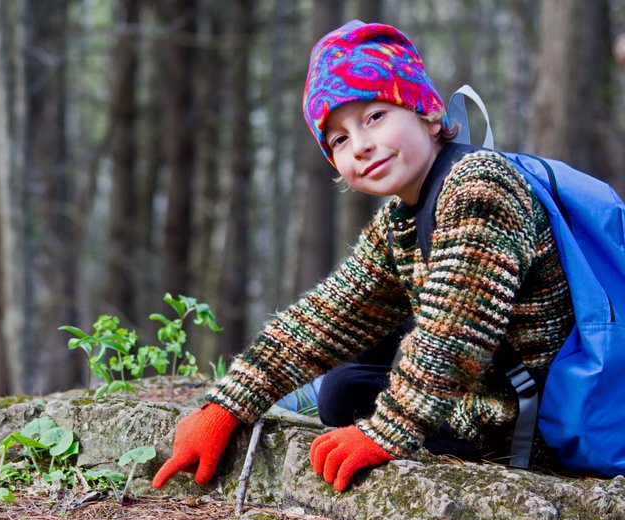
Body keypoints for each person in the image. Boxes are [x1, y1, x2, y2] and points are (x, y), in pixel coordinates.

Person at [152, 20, 574, 493]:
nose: (362, 145)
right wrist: (226, 406)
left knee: (348, 396)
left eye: (374, 116)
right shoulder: (401, 217)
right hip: (481, 388)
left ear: (428, 113)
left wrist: (389, 430)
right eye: (339, 139)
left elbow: (455, 336)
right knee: (344, 383)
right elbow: (327, 316)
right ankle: (307, 401)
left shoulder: (480, 184)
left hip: (524, 419)